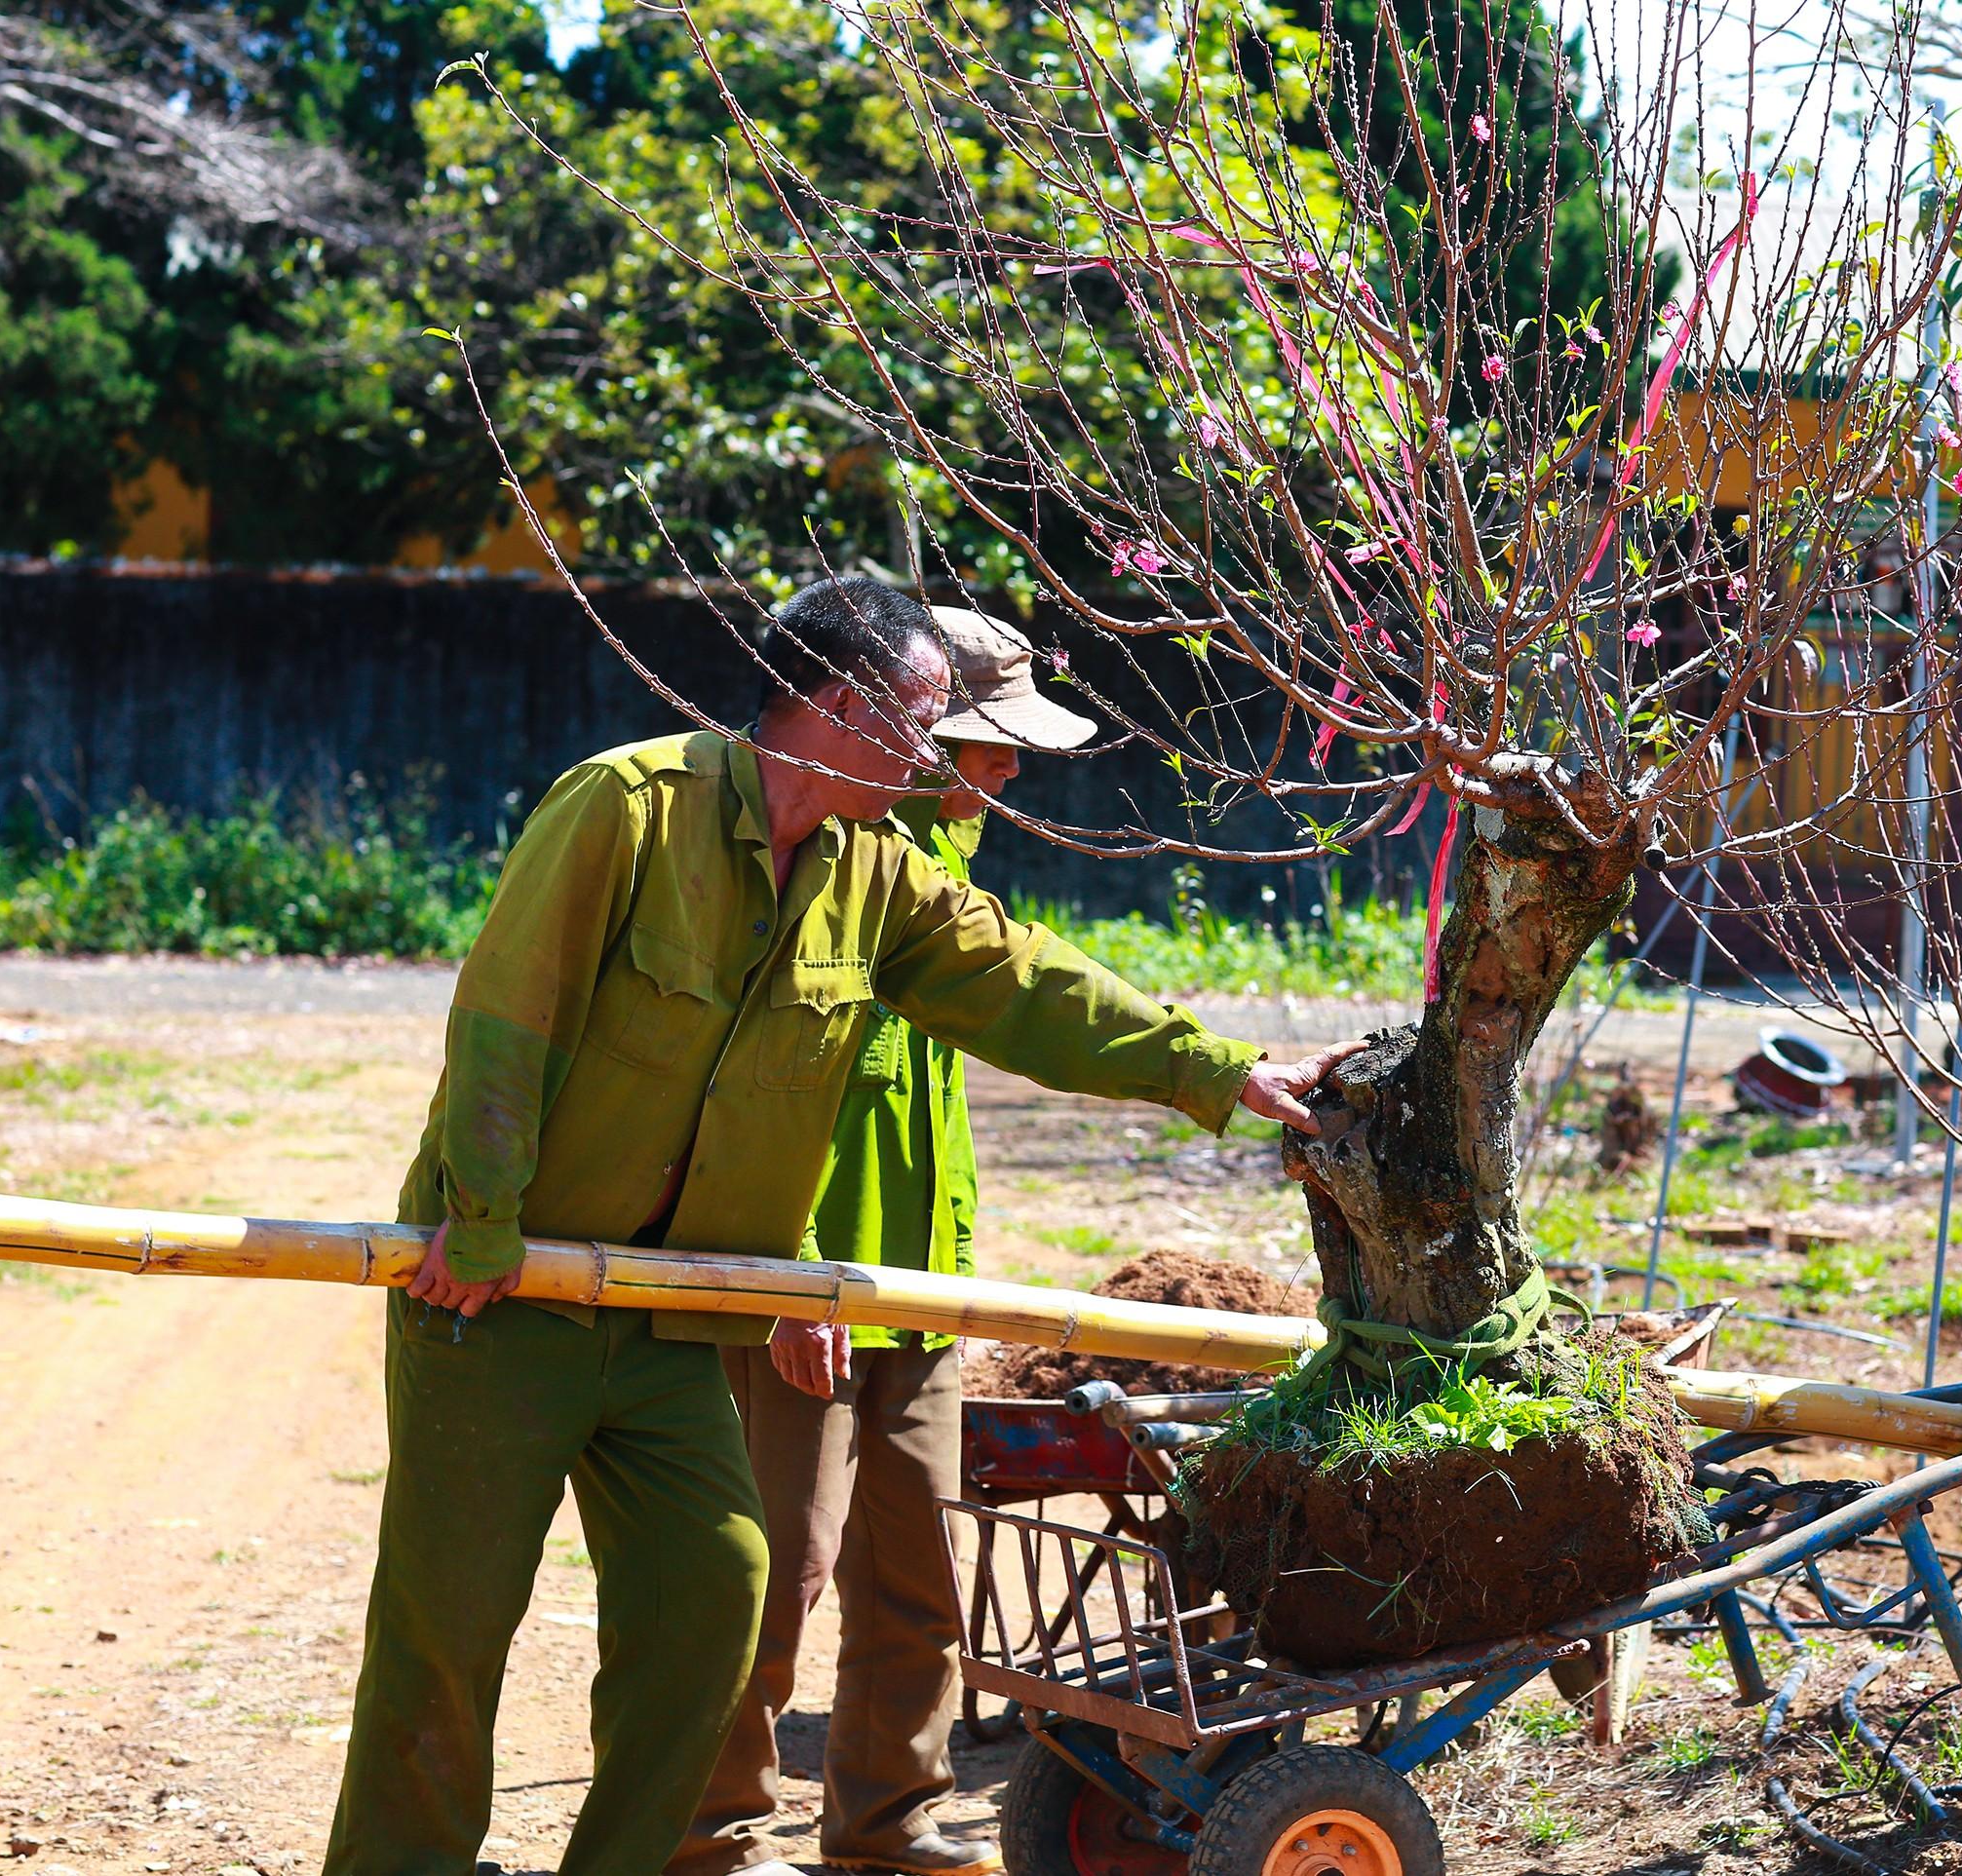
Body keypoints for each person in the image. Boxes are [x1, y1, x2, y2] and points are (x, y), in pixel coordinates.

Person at [327, 575, 1355, 1876]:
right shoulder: (625, 810)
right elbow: (503, 1019)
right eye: (923, 718)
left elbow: (1026, 983)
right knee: (449, 1637)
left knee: (713, 1601)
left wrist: (1218, 1071)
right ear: (838, 704)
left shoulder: (876, 874)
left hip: (670, 1316)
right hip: (500, 1298)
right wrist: (477, 1218)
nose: (935, 754)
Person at [674, 608, 1086, 1876]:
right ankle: (707, 1833)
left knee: (918, 1580)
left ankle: (887, 1818)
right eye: (981, 743)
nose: (1007, 771)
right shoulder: (816, 863)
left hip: (918, 1290)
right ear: (902, 732)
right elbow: (739, 1091)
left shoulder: (946, 881)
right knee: (771, 1578)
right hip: (802, 1293)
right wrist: (796, 1273)